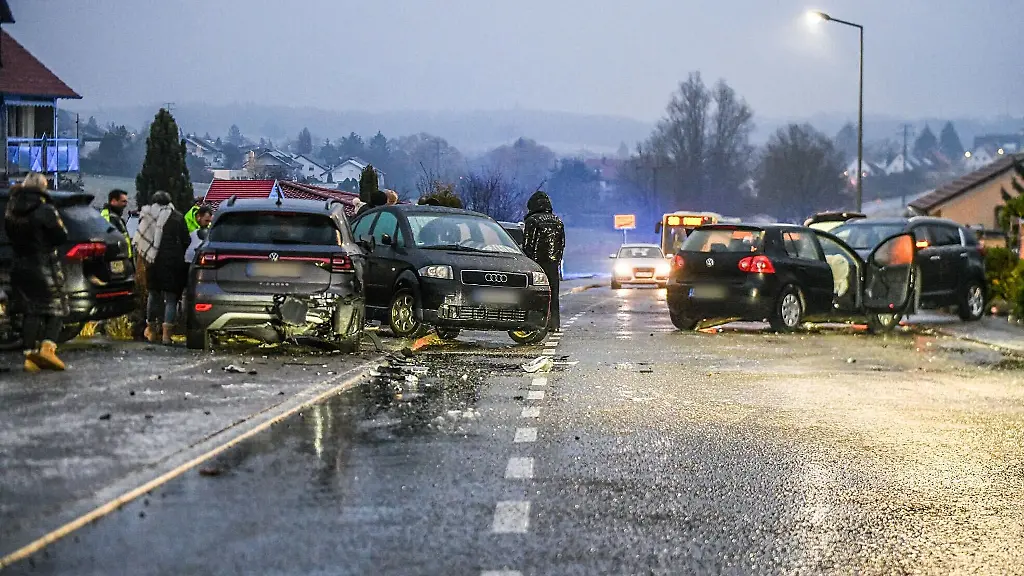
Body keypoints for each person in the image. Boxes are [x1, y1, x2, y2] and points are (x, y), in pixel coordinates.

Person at [4, 173, 69, 371]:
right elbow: (61, 236)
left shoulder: (12, 208)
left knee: (31, 309)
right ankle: (48, 349)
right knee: (57, 307)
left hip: (20, 265)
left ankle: (29, 355)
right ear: (42, 187)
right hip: (44, 265)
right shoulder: (45, 209)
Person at [133, 191, 189, 345]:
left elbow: (140, 240)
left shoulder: (147, 216)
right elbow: (186, 240)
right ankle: (166, 336)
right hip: (172, 262)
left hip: (153, 261)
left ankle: (151, 331)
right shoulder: (177, 217)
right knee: (171, 299)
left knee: (153, 295)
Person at [523, 191, 565, 332]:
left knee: (535, 293)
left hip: (537, 263)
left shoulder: (532, 221)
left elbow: (528, 244)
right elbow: (562, 244)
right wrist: (557, 260)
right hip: (553, 263)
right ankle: (554, 323)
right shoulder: (558, 221)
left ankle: (536, 322)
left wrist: (527, 261)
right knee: (553, 294)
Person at [101, 189, 133, 257]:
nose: (125, 205)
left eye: (126, 202)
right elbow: (109, 241)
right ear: (113, 201)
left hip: (122, 257)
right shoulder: (109, 217)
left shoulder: (116, 217)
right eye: (123, 201)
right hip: (116, 259)